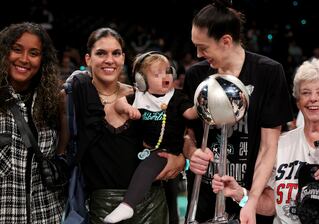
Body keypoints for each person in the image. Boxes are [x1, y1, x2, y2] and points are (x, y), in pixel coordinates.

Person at [182, 0, 293, 223]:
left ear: (225, 41)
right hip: (203, 201)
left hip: (248, 199)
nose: (199, 54)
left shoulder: (269, 73)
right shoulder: (195, 76)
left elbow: (268, 148)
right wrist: (191, 152)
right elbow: (186, 132)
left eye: (203, 47)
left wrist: (250, 201)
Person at [58, 28, 185, 224]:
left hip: (152, 204)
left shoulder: (145, 97)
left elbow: (175, 137)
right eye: (101, 53)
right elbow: (61, 152)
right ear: (88, 59)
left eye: (116, 53)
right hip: (101, 208)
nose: (110, 60)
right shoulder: (73, 97)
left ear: (123, 58)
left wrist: (180, 160)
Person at [212, 58, 319, 223]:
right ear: (298, 101)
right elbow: (271, 206)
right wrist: (241, 195)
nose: (313, 99)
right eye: (305, 93)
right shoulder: (280, 145)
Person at [104, 51, 197, 223]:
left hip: (167, 152)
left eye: (168, 71)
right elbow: (119, 103)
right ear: (142, 81)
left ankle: (128, 205)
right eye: (157, 74)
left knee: (166, 192)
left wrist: (202, 105)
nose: (165, 76)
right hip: (146, 150)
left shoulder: (177, 97)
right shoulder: (139, 97)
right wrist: (127, 108)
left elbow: (190, 114)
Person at [0, 22, 64, 223]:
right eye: (17, 50)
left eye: (34, 53)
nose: (24, 59)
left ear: (43, 60)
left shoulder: (54, 103)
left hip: (48, 216)